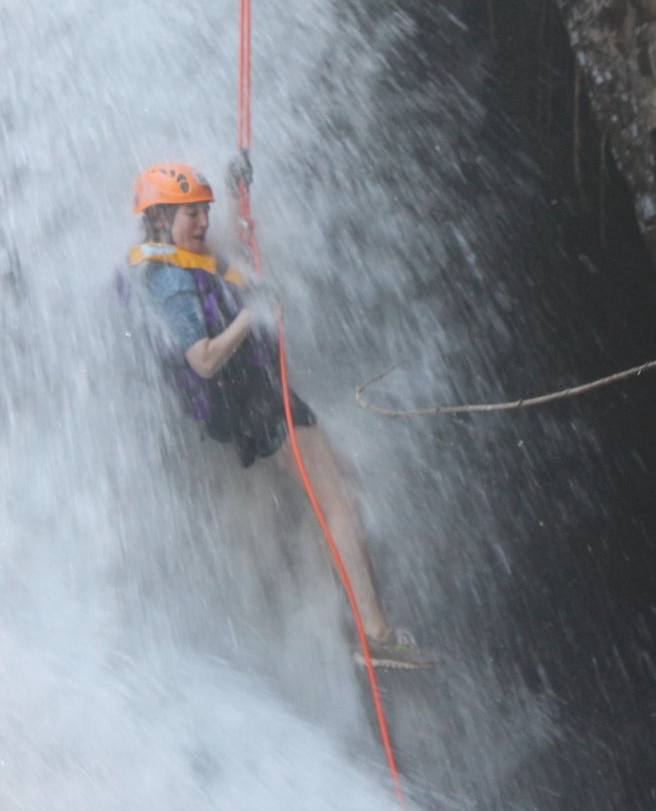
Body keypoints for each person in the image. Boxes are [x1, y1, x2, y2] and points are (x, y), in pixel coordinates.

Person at [126, 161, 432, 670]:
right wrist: (255, 314)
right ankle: (373, 634)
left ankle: (347, 612)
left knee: (341, 487)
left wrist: (235, 193)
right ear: (159, 218)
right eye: (190, 214)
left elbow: (234, 268)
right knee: (338, 498)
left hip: (250, 396)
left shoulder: (178, 260)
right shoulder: (169, 280)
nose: (202, 222)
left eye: (204, 211)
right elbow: (201, 359)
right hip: (250, 398)